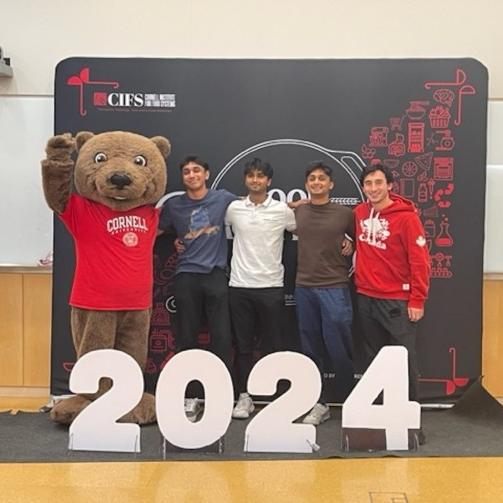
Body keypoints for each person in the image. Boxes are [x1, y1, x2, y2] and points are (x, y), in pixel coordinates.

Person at [159, 155, 237, 421]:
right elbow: (153, 230)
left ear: (207, 174)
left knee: (222, 338)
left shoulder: (223, 198)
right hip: (186, 276)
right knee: (187, 338)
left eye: (196, 171)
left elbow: (254, 209)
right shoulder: (174, 205)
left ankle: (223, 395)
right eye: (187, 172)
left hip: (215, 275)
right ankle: (190, 397)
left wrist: (298, 204)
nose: (191, 175)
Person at [225, 158, 297, 419]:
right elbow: (205, 224)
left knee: (274, 344)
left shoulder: (282, 210)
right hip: (239, 286)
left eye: (260, 176)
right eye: (251, 176)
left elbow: (309, 229)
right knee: (242, 346)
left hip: (271, 287)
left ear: (269, 181)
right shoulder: (233, 208)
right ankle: (244, 397)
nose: (255, 180)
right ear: (246, 179)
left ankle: (277, 397)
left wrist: (345, 239)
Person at [354, 163, 430, 405]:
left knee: (403, 359)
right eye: (368, 183)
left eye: (378, 183)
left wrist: (417, 299)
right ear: (363, 187)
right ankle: (378, 415)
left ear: (389, 185)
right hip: (365, 296)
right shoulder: (359, 213)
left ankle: (408, 418)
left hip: (397, 300)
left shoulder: (407, 218)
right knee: (373, 359)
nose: (373, 188)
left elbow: (420, 262)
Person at [294, 161, 355, 426]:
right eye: (312, 178)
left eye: (321, 178)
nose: (317, 182)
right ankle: (318, 402)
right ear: (307, 184)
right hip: (303, 287)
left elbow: (362, 238)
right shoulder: (299, 211)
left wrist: (350, 242)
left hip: (335, 286)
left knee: (338, 346)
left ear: (330, 184)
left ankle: (347, 399)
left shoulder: (345, 214)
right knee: (310, 347)